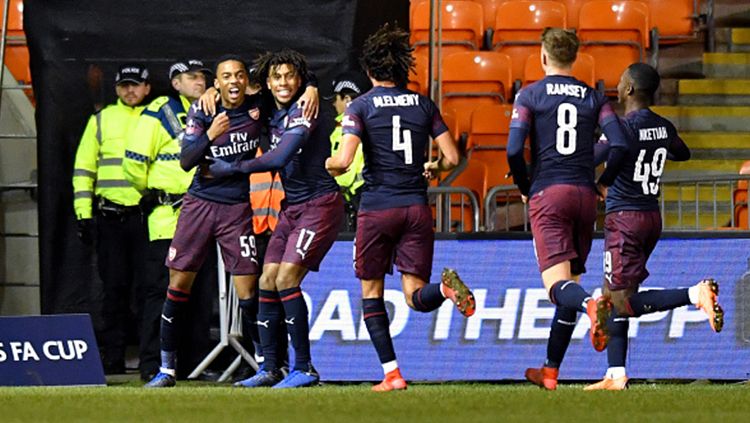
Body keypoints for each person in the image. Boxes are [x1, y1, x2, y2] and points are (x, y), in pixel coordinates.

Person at [326, 23, 477, 392]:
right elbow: (454, 156)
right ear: (400, 69)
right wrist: (435, 167)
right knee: (415, 295)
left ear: (369, 70)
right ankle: (443, 290)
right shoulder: (424, 104)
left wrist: (324, 165)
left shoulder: (360, 106)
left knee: (371, 291)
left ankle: (392, 374)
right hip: (415, 207)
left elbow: (344, 162)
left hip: (377, 207)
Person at [584, 63, 723, 390]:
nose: (616, 85)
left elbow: (596, 155)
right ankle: (615, 374)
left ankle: (695, 293)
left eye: (621, 81)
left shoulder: (621, 128)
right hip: (650, 216)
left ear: (630, 89)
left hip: (625, 219)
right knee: (612, 292)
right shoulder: (664, 126)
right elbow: (683, 153)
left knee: (623, 302)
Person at [209, 49, 342, 389]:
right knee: (266, 280)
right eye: (277, 77)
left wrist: (233, 168)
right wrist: (211, 92)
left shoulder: (307, 109)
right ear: (267, 83)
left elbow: (281, 155)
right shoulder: (269, 109)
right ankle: (270, 368)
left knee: (285, 279)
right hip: (291, 207)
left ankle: (305, 369)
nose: (284, 83)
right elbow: (234, 91)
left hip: (319, 203)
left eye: (291, 77)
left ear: (299, 81)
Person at [506, 27, 630, 390]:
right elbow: (618, 142)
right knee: (569, 283)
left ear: (543, 56)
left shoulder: (529, 95)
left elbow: (514, 150)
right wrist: (603, 182)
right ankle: (550, 370)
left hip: (550, 192)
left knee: (556, 286)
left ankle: (593, 304)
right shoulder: (594, 97)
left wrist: (526, 187)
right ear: (574, 58)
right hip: (584, 195)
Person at [144, 55, 265, 388]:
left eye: (239, 75)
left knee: (248, 290)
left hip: (236, 209)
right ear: (218, 84)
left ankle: (267, 366)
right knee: (178, 285)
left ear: (246, 80)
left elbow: (296, 82)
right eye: (226, 76)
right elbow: (186, 161)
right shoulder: (204, 111)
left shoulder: (258, 107)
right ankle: (166, 369)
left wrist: (311, 86)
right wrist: (210, 134)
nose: (234, 81)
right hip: (199, 204)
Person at [123, 59, 216, 382]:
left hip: (203, 216)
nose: (199, 82)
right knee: (161, 293)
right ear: (175, 83)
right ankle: (153, 364)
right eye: (191, 77)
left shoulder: (211, 110)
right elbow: (133, 164)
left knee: (200, 295)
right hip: (167, 219)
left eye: (202, 76)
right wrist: (153, 192)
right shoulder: (159, 113)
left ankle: (192, 365)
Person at [72, 63, 151, 374]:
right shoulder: (101, 120)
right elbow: (83, 170)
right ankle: (113, 358)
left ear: (146, 88)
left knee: (149, 291)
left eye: (136, 85)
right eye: (124, 85)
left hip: (147, 218)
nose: (130, 90)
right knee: (113, 291)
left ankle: (151, 361)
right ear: (117, 89)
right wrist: (83, 215)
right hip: (111, 219)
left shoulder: (156, 117)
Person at [327, 70, 370, 231]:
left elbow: (345, 176)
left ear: (347, 99)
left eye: (336, 98)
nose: (333, 104)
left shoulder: (347, 128)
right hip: (369, 197)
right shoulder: (369, 122)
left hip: (358, 198)